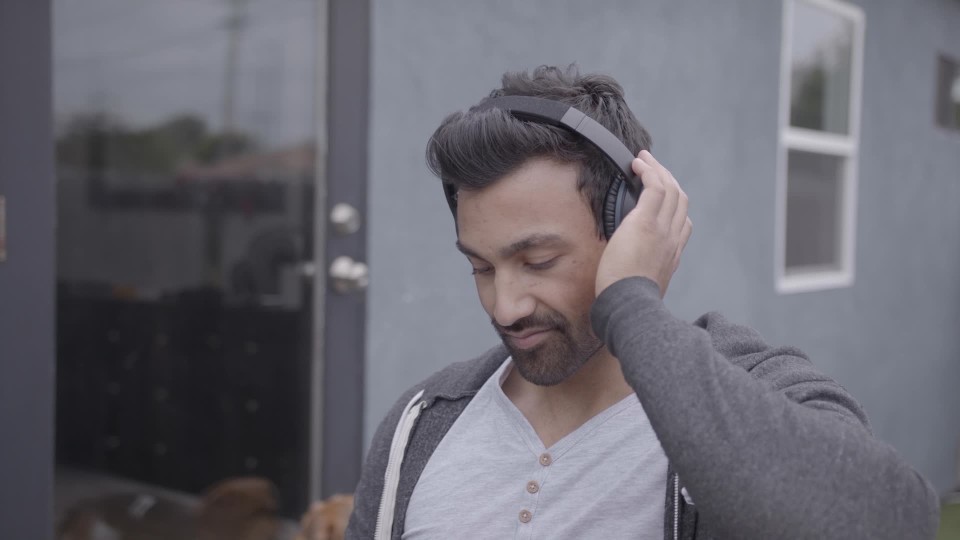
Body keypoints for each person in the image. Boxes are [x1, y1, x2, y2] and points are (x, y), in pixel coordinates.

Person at [346, 65, 939, 539]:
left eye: (539, 261)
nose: (505, 308)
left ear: (630, 226)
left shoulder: (755, 385)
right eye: (480, 267)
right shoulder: (423, 421)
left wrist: (631, 303)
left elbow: (888, 522)